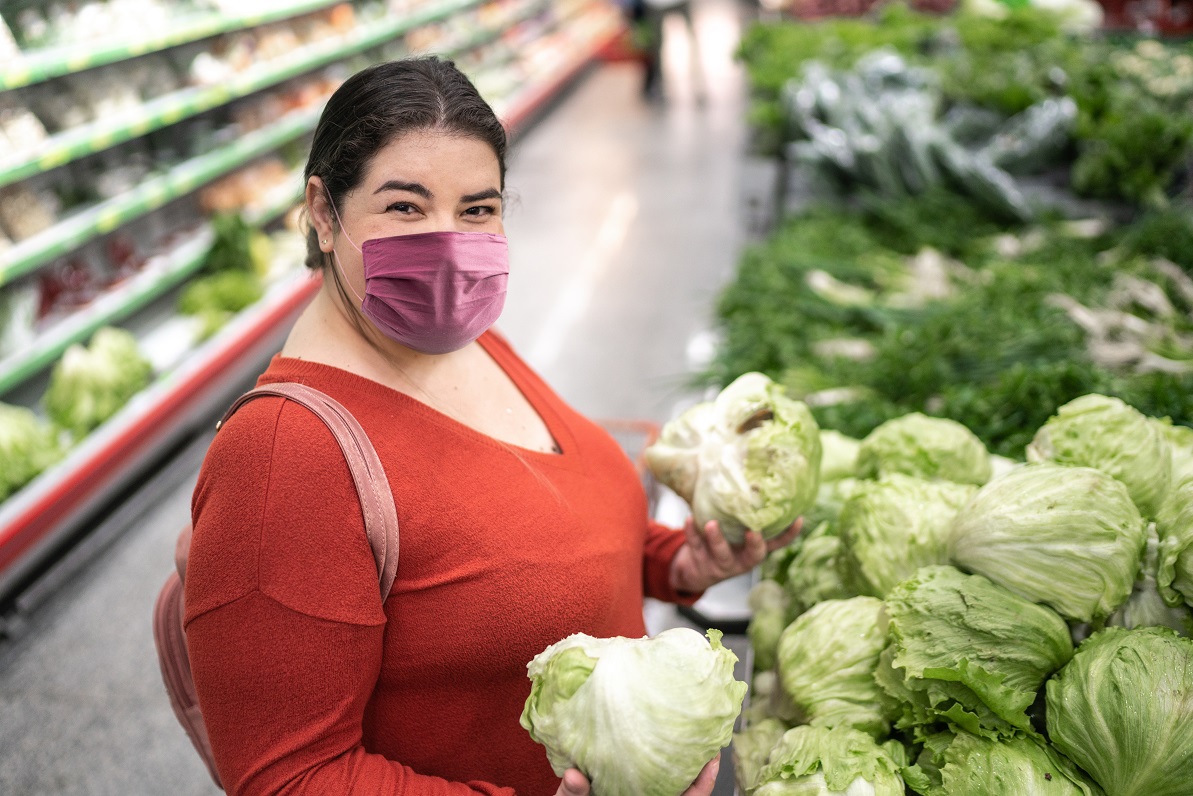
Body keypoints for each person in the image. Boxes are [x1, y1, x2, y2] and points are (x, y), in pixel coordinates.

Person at [184, 56, 798, 796]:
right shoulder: (285, 456)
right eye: (405, 207)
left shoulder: (467, 341)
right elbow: (290, 777)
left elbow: (536, 528)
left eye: (477, 209)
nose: (448, 245)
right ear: (323, 211)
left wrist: (672, 564)